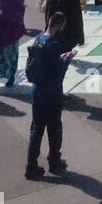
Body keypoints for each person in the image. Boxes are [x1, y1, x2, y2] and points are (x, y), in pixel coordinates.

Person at [24, 11, 75, 179]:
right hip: (51, 92)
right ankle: (54, 161)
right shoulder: (54, 44)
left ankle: (31, 164)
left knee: (36, 128)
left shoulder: (39, 40)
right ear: (59, 26)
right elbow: (57, 71)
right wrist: (67, 59)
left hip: (37, 90)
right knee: (54, 128)